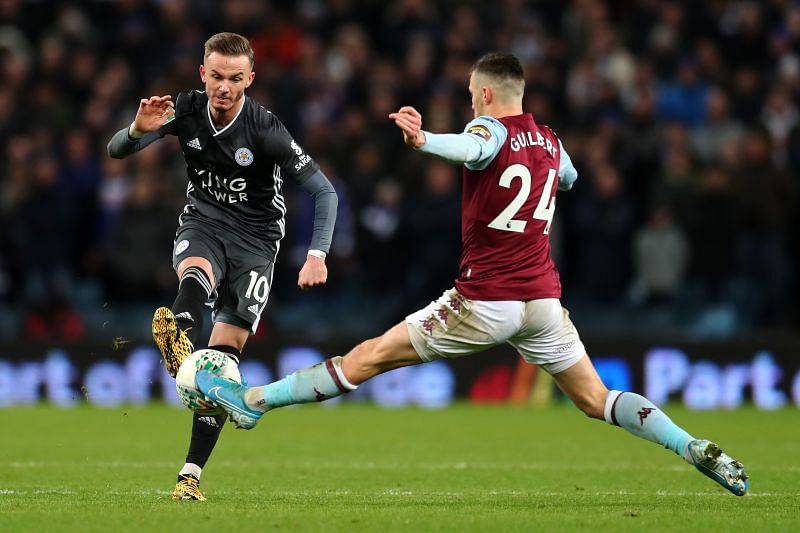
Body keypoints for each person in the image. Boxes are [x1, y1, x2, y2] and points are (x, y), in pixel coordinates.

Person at [197, 53, 748, 496]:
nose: (469, 101)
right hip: (543, 303)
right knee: (595, 399)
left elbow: (472, 146)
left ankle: (253, 404)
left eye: (470, 93)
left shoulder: (487, 130)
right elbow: (571, 178)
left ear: (484, 94)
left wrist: (424, 141)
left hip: (486, 300)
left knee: (367, 358)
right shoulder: (552, 141)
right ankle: (688, 444)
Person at [107, 32, 337, 500]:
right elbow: (116, 151)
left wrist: (317, 254)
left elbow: (325, 192)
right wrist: (136, 129)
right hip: (205, 222)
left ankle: (190, 473)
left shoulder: (266, 129)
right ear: (202, 74)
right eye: (216, 76)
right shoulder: (185, 109)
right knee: (195, 271)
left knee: (222, 365)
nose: (224, 87)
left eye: (235, 78)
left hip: (257, 243)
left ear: (250, 79)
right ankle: (178, 334)